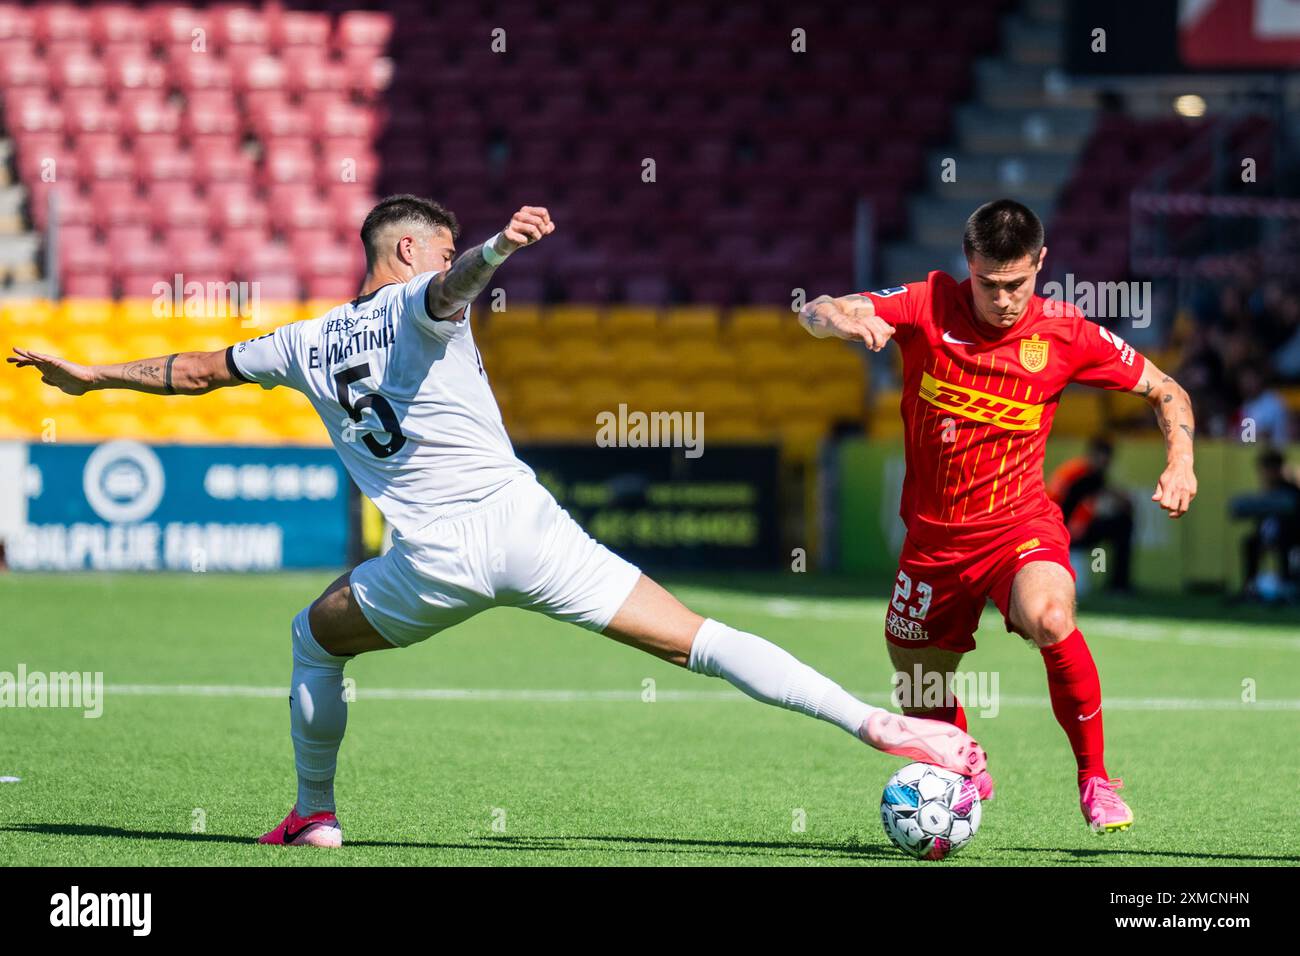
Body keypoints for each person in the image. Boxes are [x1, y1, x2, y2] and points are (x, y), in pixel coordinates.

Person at [8, 195, 985, 848]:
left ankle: (315, 814)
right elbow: (446, 289)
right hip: (528, 529)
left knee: (312, 639)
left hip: (431, 563)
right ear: (404, 247)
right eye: (439, 241)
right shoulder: (422, 300)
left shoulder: (298, 340)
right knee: (703, 638)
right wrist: (496, 249)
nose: (448, 256)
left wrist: (88, 376)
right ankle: (880, 722)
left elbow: (193, 370)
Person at [799, 199, 1198, 833]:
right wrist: (841, 321)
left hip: (1019, 527)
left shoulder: (1065, 333)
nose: (1003, 298)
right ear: (968, 265)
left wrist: (1180, 459)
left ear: (1041, 264)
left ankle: (1095, 779)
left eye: (1016, 283)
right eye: (988, 283)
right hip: (932, 543)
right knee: (921, 692)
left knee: (1051, 615)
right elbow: (817, 308)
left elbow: (1167, 389)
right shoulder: (928, 303)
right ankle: (963, 765)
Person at [1047, 436, 1134, 593]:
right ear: (1092, 455)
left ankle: (1119, 585)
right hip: (1057, 532)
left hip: (1078, 532)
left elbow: (1106, 498)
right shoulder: (1075, 473)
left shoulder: (1097, 476)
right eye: (1101, 457)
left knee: (1123, 523)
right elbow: (1054, 502)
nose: (1104, 462)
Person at [1233, 448, 1300, 602]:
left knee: (1285, 543)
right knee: (1251, 543)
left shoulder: (1291, 489)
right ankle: (1250, 587)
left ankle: (1287, 587)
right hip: (1271, 536)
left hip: (1291, 536)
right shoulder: (1267, 490)